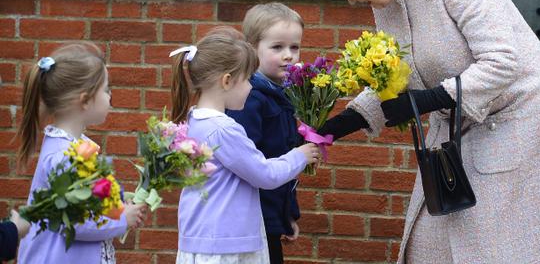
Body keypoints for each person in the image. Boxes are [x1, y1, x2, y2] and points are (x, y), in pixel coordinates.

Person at [287, 0, 540, 263]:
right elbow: (397, 73)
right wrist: (336, 127)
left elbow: (503, 61)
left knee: (489, 246)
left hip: (513, 118)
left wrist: (429, 99)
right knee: (427, 244)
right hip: (456, 124)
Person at [170, 27, 321, 264]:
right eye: (248, 79)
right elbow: (264, 174)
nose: (251, 87)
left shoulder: (192, 121)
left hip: (200, 240)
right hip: (228, 246)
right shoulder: (224, 129)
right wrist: (300, 156)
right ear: (227, 81)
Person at [16, 42, 146, 264]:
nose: (110, 96)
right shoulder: (65, 156)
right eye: (106, 89)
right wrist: (122, 220)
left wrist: (120, 204)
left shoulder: (77, 147)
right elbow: (75, 221)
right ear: (85, 100)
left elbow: (91, 200)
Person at [226, 3, 304, 264]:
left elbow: (284, 161)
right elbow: (250, 167)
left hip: (271, 217)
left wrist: (288, 214)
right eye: (277, 47)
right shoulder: (249, 99)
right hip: (251, 222)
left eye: (294, 47)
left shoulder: (283, 94)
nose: (288, 55)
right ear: (252, 49)